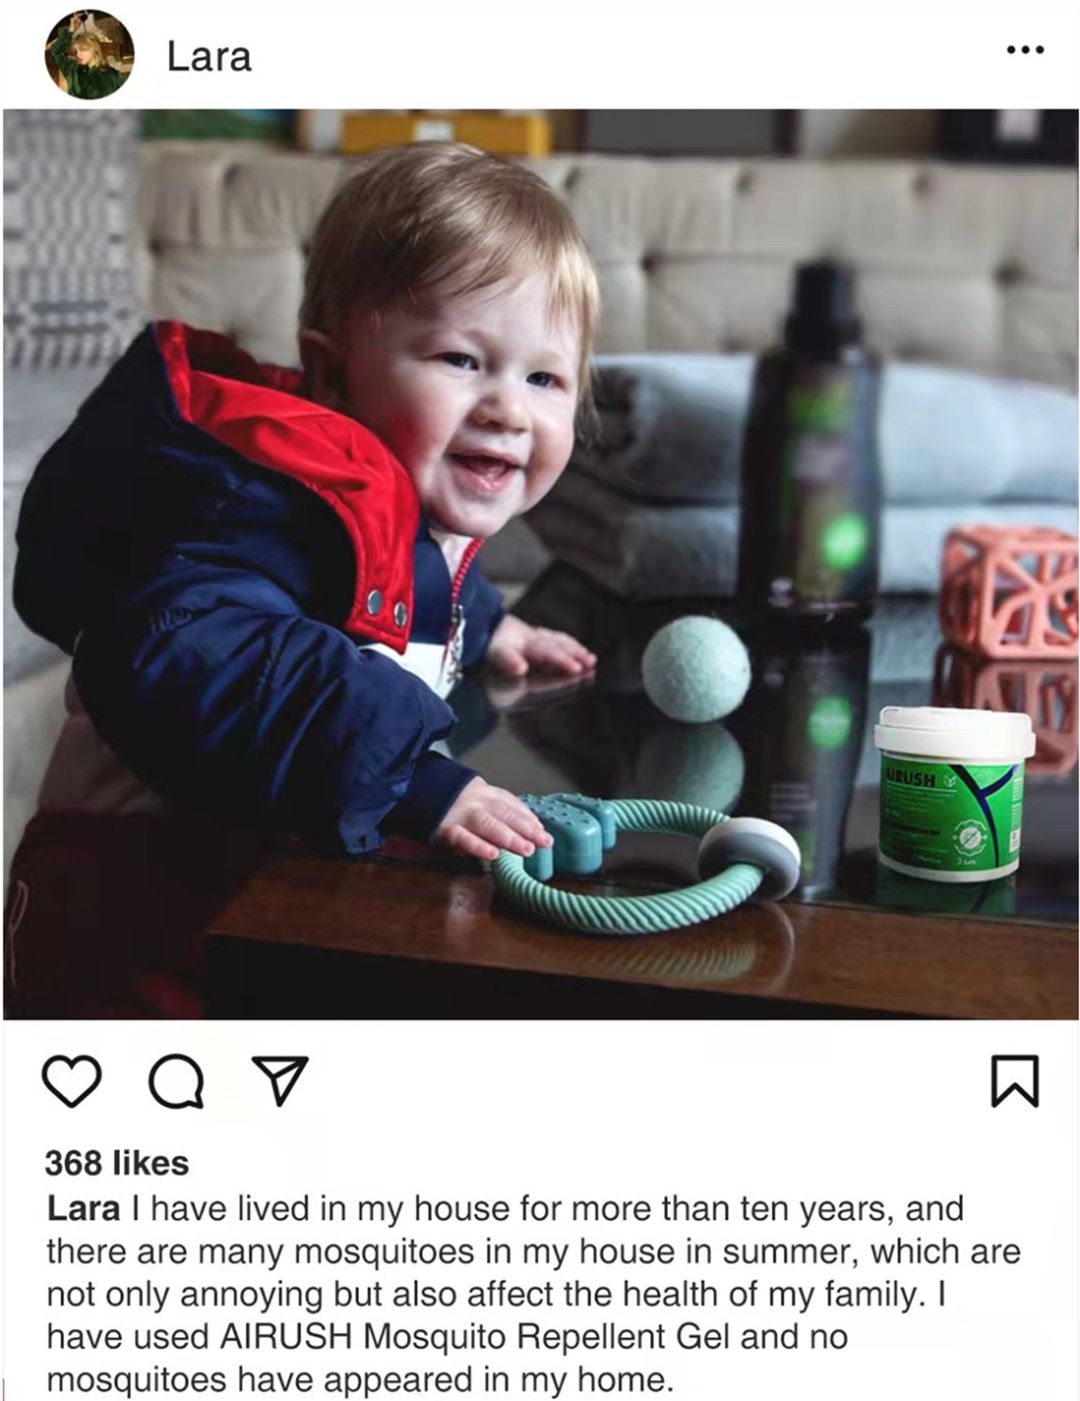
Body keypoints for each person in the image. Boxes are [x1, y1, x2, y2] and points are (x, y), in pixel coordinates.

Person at [12, 143, 600, 877]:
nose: (508, 409)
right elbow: (209, 662)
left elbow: (417, 579)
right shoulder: (263, 509)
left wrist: (486, 624)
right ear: (332, 375)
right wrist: (414, 780)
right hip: (133, 877)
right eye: (461, 360)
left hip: (261, 866)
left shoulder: (413, 506)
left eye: (545, 378)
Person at [49, 12, 130, 98]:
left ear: (95, 47)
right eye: (76, 51)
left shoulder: (113, 76)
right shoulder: (73, 69)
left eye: (82, 49)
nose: (78, 54)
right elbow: (55, 51)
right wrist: (71, 30)